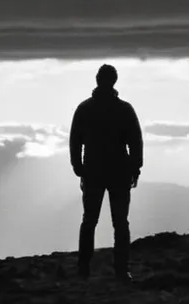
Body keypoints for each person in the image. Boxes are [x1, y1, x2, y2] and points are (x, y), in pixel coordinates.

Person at [69, 63, 143, 282]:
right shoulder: (124, 109)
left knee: (89, 220)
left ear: (97, 80)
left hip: (93, 171)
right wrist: (135, 168)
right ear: (114, 81)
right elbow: (135, 142)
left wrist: (78, 167)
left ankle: (83, 269)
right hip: (118, 172)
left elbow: (75, 141)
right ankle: (121, 270)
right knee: (120, 222)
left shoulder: (84, 108)